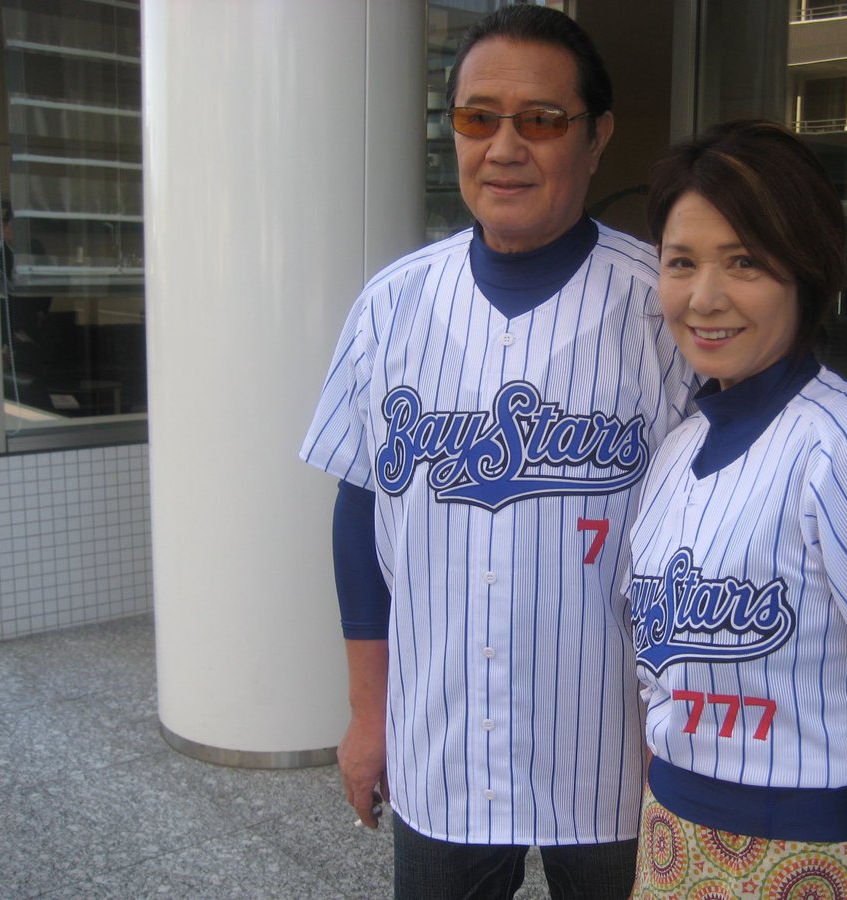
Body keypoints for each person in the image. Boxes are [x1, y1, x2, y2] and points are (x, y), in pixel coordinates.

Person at [300, 7, 694, 898]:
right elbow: (359, 514)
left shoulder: (663, 308)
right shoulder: (391, 306)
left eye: (541, 120)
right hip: (439, 745)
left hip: (616, 756)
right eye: (479, 118)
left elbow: (713, 533)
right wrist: (368, 714)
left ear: (597, 136)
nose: (504, 147)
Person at [626, 120, 847, 900]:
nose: (705, 297)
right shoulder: (677, 449)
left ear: (806, 270)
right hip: (673, 842)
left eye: (745, 261)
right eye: (681, 262)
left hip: (814, 858)